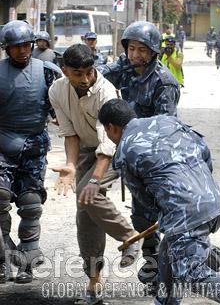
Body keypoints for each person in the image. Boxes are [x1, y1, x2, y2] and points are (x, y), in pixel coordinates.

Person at [98, 98, 220, 305]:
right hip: (212, 200)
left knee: (191, 273)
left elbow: (144, 200)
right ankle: (164, 301)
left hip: (185, 213)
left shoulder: (125, 150)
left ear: (111, 128)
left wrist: (168, 211)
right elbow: (204, 153)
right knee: (168, 254)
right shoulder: (168, 122)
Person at [48, 44, 140, 303]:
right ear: (64, 70)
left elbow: (108, 143)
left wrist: (95, 180)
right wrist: (70, 165)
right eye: (78, 73)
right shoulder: (56, 90)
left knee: (86, 194)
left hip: (117, 147)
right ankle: (94, 281)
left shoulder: (106, 91)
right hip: (86, 149)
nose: (85, 79)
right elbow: (70, 133)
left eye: (89, 72)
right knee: (85, 212)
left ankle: (130, 236)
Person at [98, 21, 180, 288]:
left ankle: (196, 256)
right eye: (131, 48)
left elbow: (166, 127)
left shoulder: (163, 82)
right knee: (141, 215)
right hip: (129, 152)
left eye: (142, 50)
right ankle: (153, 263)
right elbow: (97, 77)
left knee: (165, 212)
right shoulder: (126, 69)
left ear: (154, 51)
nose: (135, 55)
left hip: (155, 156)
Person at [0, 20, 61, 284]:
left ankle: (26, 263)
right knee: (0, 198)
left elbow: (65, 105)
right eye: (17, 47)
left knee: (31, 204)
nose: (23, 50)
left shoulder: (48, 72)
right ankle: (3, 259)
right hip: (2, 146)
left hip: (34, 147)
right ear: (7, 49)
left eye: (27, 45)